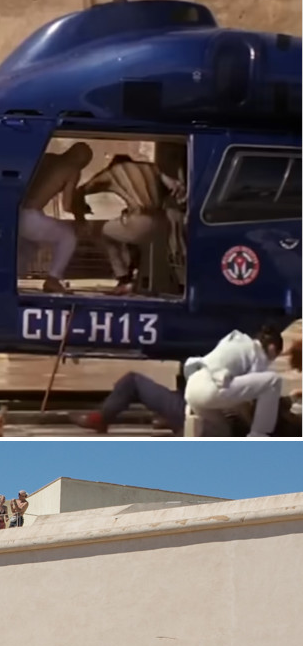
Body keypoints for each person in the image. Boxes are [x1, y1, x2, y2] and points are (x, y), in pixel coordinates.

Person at [71, 336, 301, 436]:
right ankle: (167, 419)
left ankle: (101, 418)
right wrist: (289, 400)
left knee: (133, 381)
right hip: (210, 412)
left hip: (206, 415)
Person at [72, 154, 178, 296]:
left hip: (140, 220)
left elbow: (81, 190)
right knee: (128, 235)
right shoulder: (152, 168)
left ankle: (124, 279)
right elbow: (176, 187)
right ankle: (133, 270)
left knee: (101, 231)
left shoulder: (113, 172)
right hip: (164, 223)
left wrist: (81, 213)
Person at [183, 326, 284, 437]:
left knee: (223, 433)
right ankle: (259, 436)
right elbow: (247, 398)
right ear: (272, 348)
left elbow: (237, 393)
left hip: (192, 389)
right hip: (210, 389)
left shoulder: (235, 341)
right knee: (274, 381)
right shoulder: (258, 353)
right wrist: (251, 424)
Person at [19, 142, 93, 293]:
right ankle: (53, 279)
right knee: (68, 236)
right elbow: (66, 205)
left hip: (15, 212)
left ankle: (10, 278)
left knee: (28, 246)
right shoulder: (72, 169)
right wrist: (80, 214)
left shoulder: (46, 158)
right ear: (82, 161)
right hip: (30, 216)